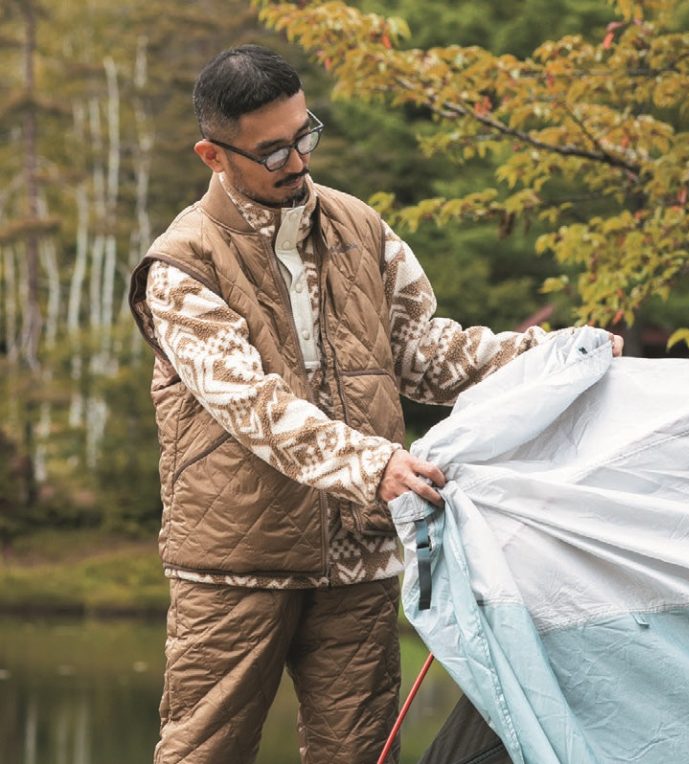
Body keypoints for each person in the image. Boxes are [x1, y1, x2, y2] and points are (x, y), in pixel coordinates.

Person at [128, 44, 622, 764]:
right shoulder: (179, 267)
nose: (297, 162)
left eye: (305, 135)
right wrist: (376, 467)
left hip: (360, 558)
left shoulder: (361, 228)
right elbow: (253, 407)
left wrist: (547, 357)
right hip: (234, 566)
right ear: (213, 154)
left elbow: (421, 354)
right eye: (272, 152)